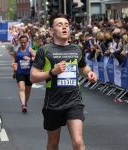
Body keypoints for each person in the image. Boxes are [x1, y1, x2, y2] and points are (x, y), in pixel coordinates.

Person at [30, 13, 97, 150]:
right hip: (53, 102)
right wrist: (52, 72)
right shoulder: (44, 50)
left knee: (78, 142)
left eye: (66, 25)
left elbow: (83, 67)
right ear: (52, 30)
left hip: (74, 101)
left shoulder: (76, 49)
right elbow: (33, 77)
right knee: (53, 144)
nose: (64, 27)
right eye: (59, 25)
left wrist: (89, 73)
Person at [12, 35, 36, 113]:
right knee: (21, 88)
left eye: (24, 42)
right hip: (20, 72)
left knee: (28, 90)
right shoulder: (17, 50)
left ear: (27, 42)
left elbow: (36, 57)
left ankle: (25, 103)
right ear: (19, 42)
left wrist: (29, 59)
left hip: (29, 73)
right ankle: (23, 105)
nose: (23, 44)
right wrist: (13, 64)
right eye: (21, 42)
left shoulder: (29, 50)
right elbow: (14, 57)